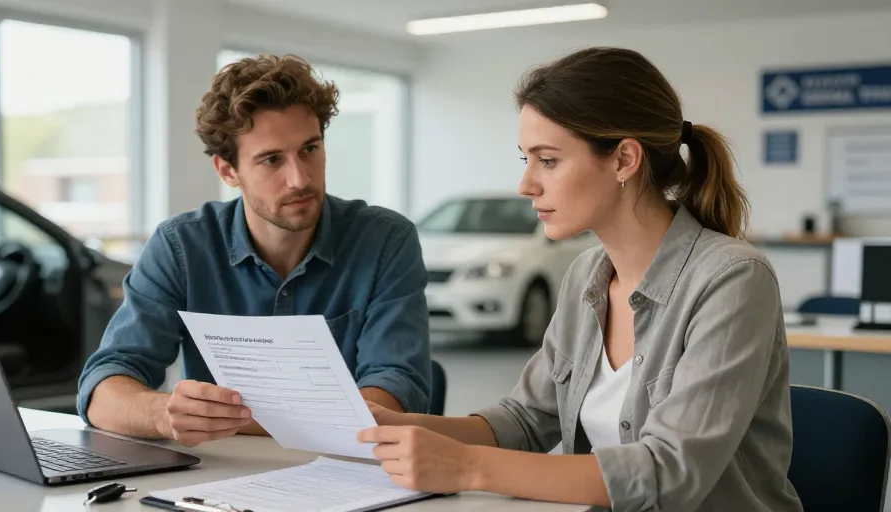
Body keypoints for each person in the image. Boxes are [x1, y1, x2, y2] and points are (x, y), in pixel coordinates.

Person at [358, 47, 804, 512]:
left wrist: (468, 466)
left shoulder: (732, 279)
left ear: (624, 159)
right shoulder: (585, 276)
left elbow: (669, 472)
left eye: (547, 160)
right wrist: (400, 424)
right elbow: (527, 419)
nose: (526, 184)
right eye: (525, 159)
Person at [77, 53, 432, 447]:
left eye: (310, 149)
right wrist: (163, 415)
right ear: (228, 171)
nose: (299, 178)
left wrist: (233, 421)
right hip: (222, 480)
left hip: (344, 472)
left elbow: (396, 391)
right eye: (271, 159)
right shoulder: (181, 246)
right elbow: (103, 388)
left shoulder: (385, 240)